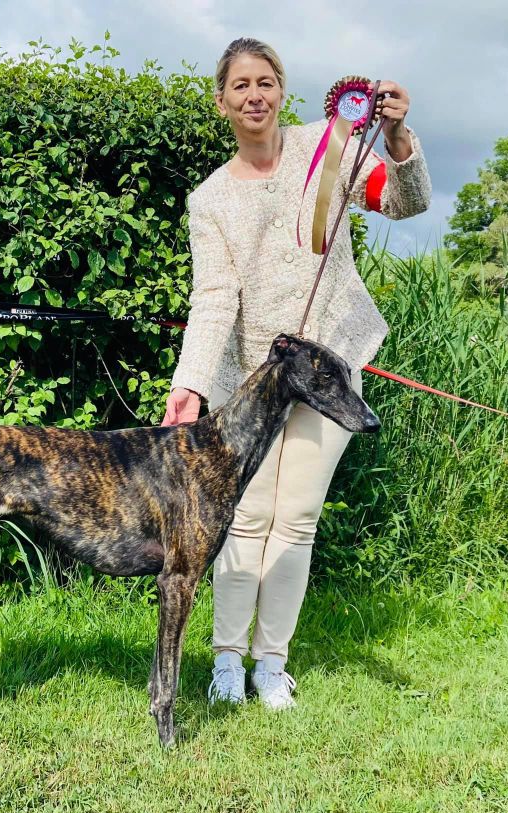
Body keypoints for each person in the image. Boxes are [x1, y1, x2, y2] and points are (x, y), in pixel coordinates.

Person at [162, 38, 431, 710]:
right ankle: (226, 660)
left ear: (282, 89)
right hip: (248, 383)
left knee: (298, 518)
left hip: (329, 369)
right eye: (240, 86)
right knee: (245, 518)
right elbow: (215, 297)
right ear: (222, 101)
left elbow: (403, 203)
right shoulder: (210, 198)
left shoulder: (328, 146)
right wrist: (190, 383)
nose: (254, 95)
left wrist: (397, 139)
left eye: (266, 82)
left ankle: (270, 664)